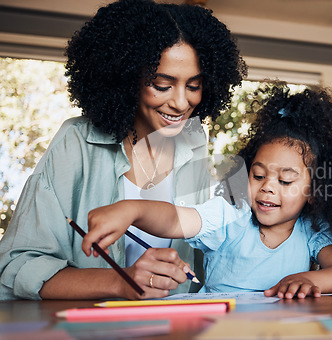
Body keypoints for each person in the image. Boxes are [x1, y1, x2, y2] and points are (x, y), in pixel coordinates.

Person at [0, 0, 246, 300]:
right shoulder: (76, 141)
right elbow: (14, 267)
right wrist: (120, 282)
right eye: (162, 84)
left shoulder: (193, 140)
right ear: (127, 77)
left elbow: (202, 237)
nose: (181, 103)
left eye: (193, 86)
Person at [83, 83, 332, 299]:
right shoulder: (232, 212)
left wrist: (310, 278)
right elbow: (176, 220)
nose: (267, 187)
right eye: (258, 174)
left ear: (314, 191)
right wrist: (132, 209)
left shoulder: (312, 230)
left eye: (285, 181)